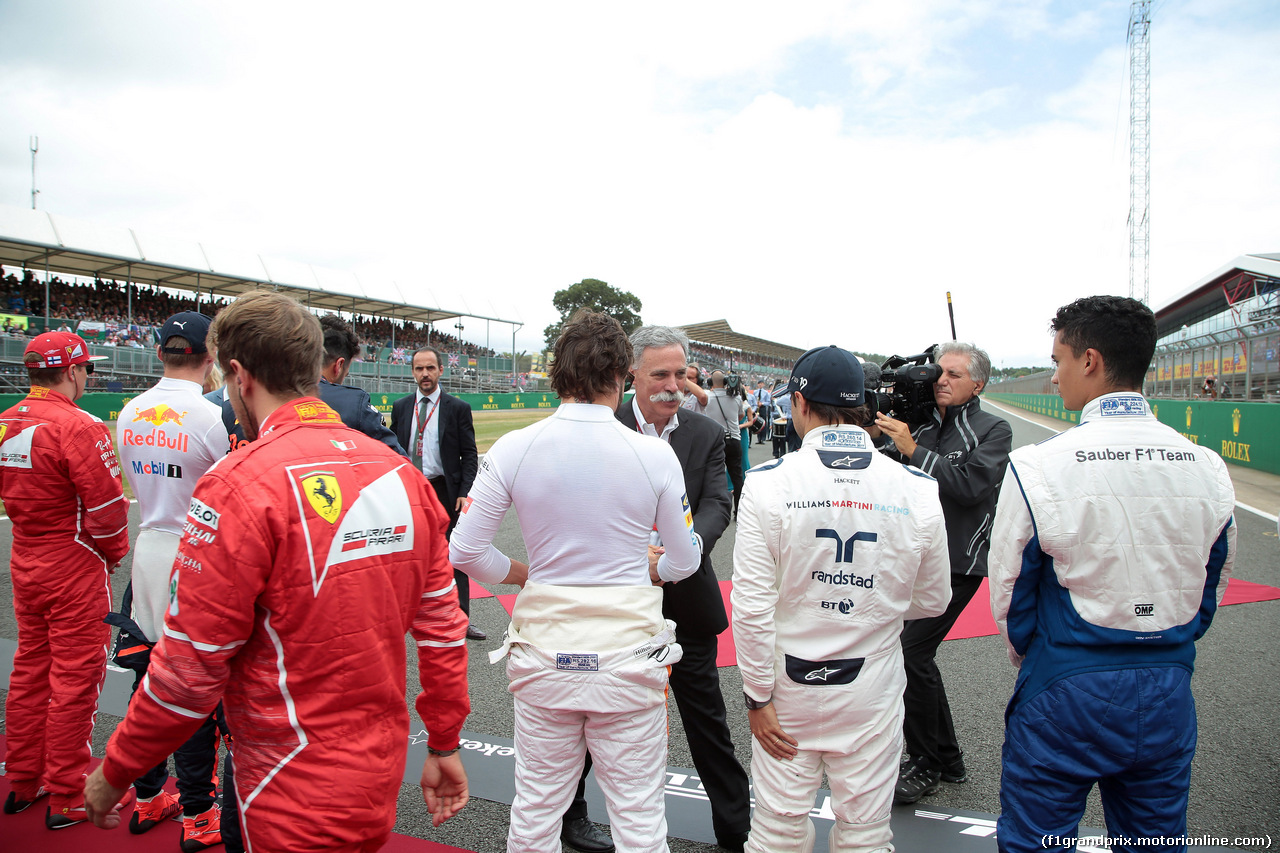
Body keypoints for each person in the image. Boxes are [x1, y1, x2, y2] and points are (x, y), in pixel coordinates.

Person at [83, 291, 471, 851]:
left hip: (279, 783)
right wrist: (443, 743)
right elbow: (442, 630)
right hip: (376, 775)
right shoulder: (402, 475)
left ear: (239, 374)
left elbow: (188, 673)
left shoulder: (236, 483)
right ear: (315, 367)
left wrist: (113, 772)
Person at [989, 296, 1236, 853]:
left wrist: (1038, 660)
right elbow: (1211, 584)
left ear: (1091, 361)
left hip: (1065, 682)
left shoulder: (1039, 464)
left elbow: (1009, 589)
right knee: (1154, 841)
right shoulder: (1208, 465)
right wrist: (1164, 642)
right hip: (1169, 683)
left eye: (1059, 361)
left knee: (1037, 841)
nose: (1053, 378)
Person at [449, 309, 701, 853]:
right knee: (638, 818)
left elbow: (465, 550)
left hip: (544, 654)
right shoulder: (654, 453)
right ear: (621, 373)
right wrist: (647, 566)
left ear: (558, 372)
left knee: (536, 810)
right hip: (628, 658)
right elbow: (685, 563)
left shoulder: (515, 447)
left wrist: (522, 575)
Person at [732, 345, 951, 853]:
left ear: (802, 404)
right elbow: (934, 599)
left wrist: (757, 698)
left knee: (777, 831)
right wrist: (872, 604)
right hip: (870, 684)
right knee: (866, 833)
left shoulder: (767, 483)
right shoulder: (916, 485)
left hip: (788, 687)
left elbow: (751, 608)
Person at [558, 326, 750, 853]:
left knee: (707, 720)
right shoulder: (600, 427)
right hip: (612, 597)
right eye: (660, 374)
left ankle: (737, 831)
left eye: (682, 374)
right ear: (631, 376)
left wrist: (677, 553)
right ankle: (569, 816)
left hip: (685, 594)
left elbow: (718, 504)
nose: (674, 385)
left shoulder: (704, 433)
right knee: (591, 711)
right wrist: (629, 556)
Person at [0, 332, 130, 829]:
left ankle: (22, 779)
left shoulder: (7, 419)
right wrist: (113, 554)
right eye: (87, 370)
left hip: (25, 556)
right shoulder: (80, 426)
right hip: (73, 562)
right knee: (76, 679)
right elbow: (108, 510)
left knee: (30, 669)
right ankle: (68, 792)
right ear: (74, 372)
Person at [873, 341, 1012, 803]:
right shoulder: (920, 423)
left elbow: (972, 487)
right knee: (916, 654)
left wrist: (913, 450)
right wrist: (882, 442)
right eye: (939, 374)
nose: (942, 381)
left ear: (979, 382)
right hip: (912, 557)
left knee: (909, 653)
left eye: (954, 374)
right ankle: (948, 758)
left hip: (959, 563)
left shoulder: (994, 429)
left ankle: (927, 761)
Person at [115, 311, 230, 848]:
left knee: (146, 679)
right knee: (194, 687)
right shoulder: (210, 416)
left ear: (160, 353)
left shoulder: (128, 412)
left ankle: (146, 794)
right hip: (198, 555)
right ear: (210, 358)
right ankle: (198, 814)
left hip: (149, 551)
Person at [391, 346, 484, 640]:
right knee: (407, 553)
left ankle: (462, 618)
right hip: (411, 489)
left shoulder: (458, 408)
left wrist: (465, 491)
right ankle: (405, 615)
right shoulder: (401, 407)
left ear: (441, 370)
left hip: (446, 490)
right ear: (413, 372)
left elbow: (470, 454)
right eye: (419, 369)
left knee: (454, 554)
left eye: (430, 368)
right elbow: (394, 450)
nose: (425, 374)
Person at [317, 313, 407, 455]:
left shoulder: (274, 394)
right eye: (345, 374)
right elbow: (400, 462)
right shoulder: (354, 405)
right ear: (339, 365)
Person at [703, 371, 744, 516]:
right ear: (726, 381)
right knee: (737, 476)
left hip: (715, 441)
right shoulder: (736, 397)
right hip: (733, 439)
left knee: (714, 476)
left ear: (710, 382)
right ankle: (738, 510)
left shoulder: (706, 397)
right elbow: (741, 416)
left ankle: (715, 511)